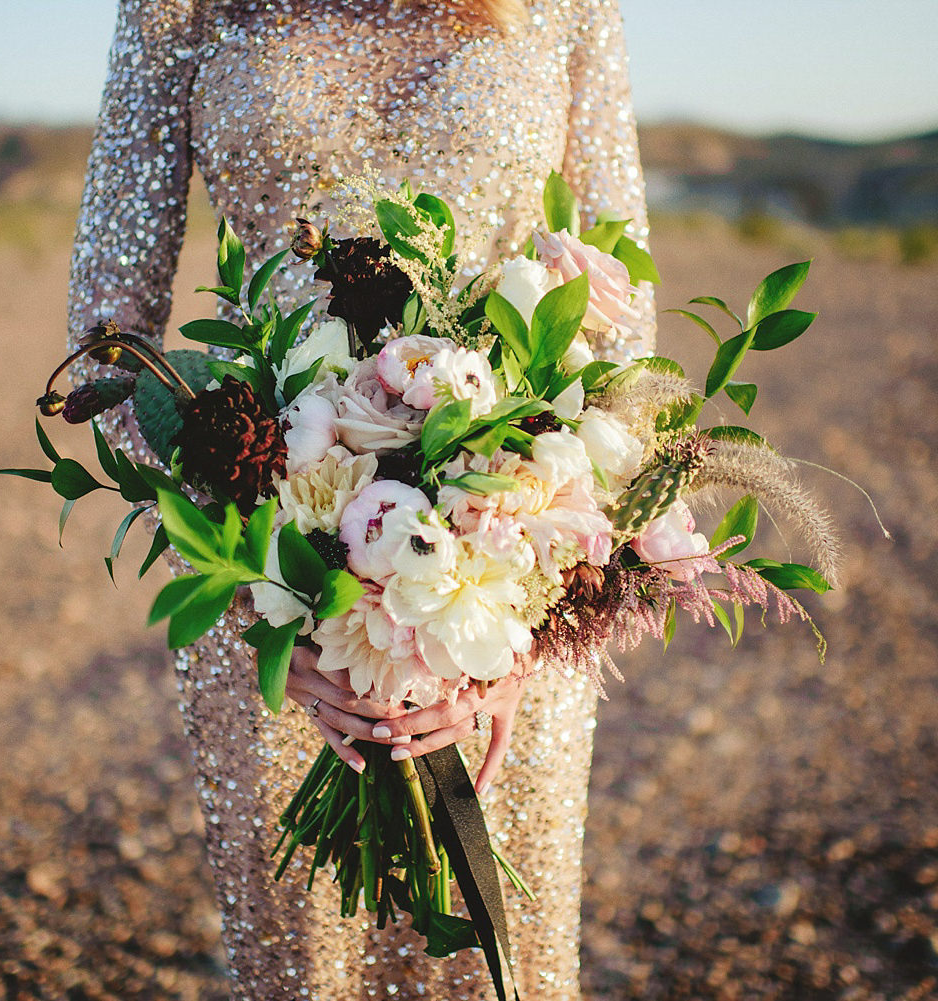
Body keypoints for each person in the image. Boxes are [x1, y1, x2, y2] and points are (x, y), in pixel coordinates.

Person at [67, 1, 656, 997]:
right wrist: (250, 584)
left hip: (510, 565)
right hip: (270, 576)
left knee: (499, 951)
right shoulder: (180, 7)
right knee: (306, 958)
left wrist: (526, 620)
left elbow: (625, 328)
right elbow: (109, 335)